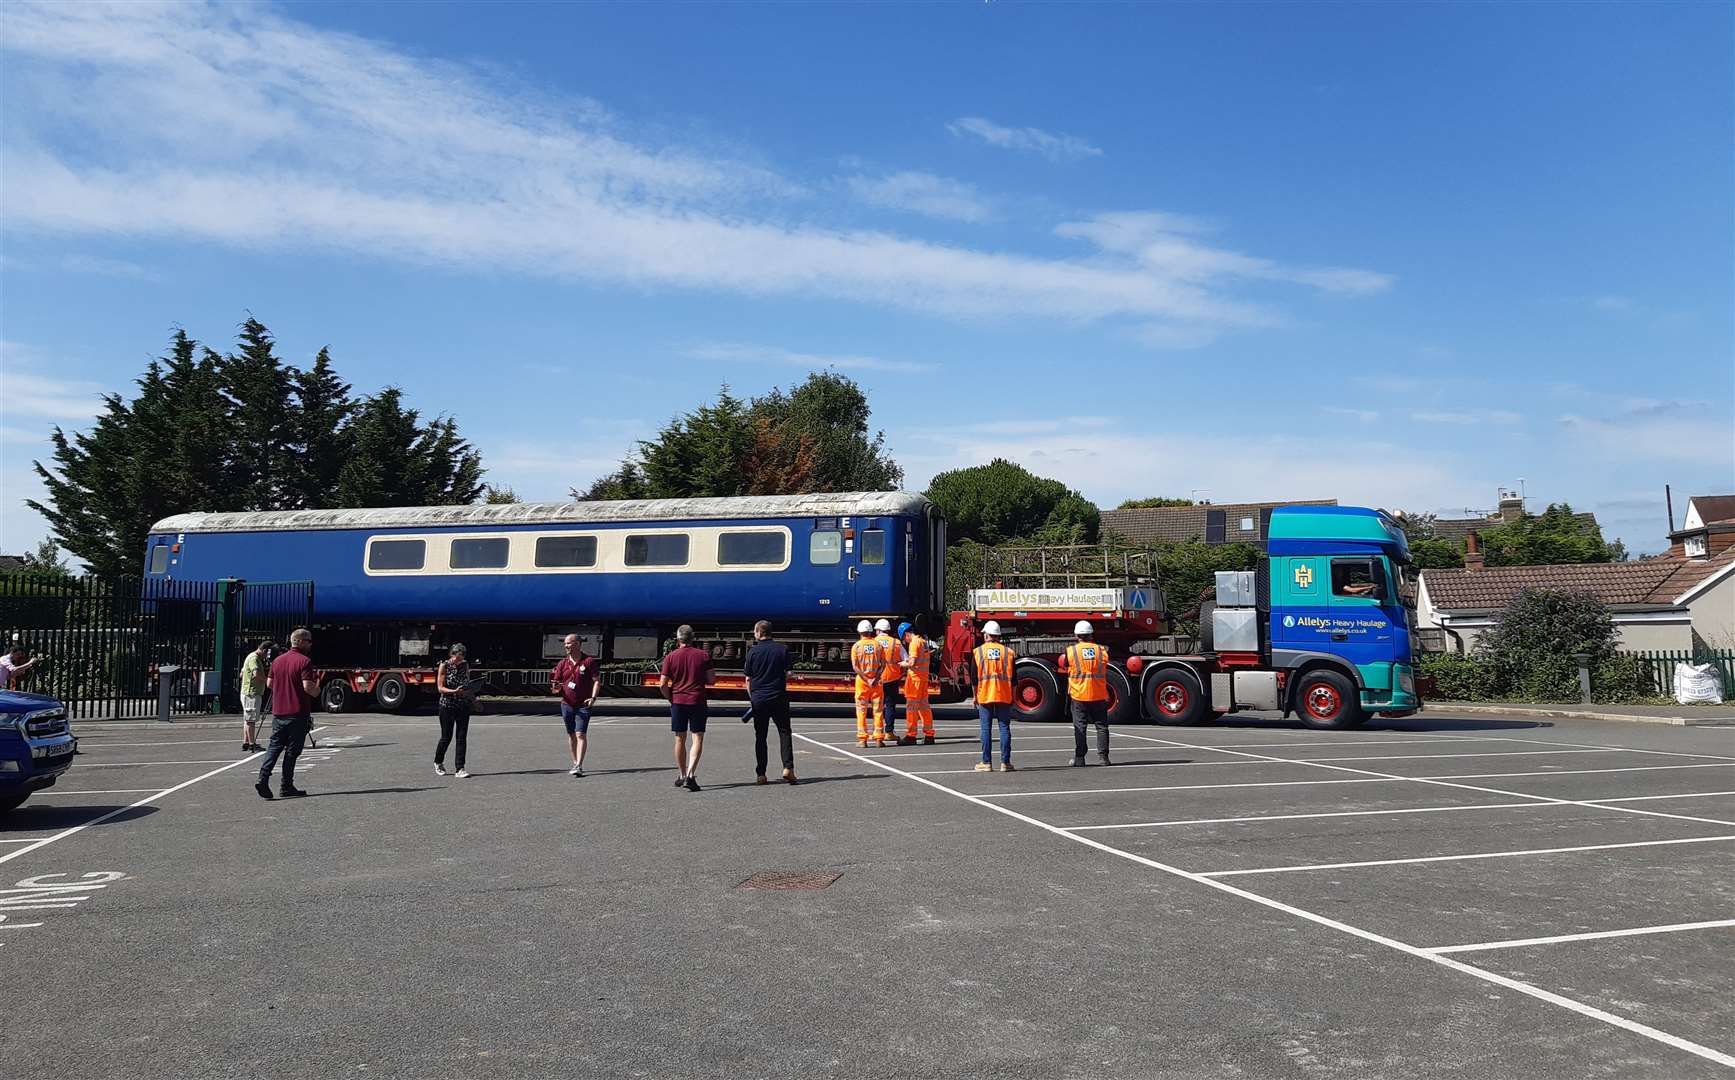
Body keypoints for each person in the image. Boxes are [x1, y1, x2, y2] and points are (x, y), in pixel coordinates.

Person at [257, 628, 319, 799]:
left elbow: (270, 683)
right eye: (308, 641)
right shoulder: (304, 661)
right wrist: (317, 690)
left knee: (274, 747)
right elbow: (308, 687)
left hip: (279, 712)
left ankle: (263, 778)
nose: (310, 644)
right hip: (297, 712)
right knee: (292, 751)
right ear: (299, 641)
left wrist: (284, 688)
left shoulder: (277, 661)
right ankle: (286, 785)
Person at [742, 620, 797, 785]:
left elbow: (747, 679)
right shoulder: (782, 649)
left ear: (759, 633)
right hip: (778, 696)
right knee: (784, 732)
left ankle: (761, 774)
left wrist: (753, 697)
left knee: (761, 736)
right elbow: (790, 674)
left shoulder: (752, 652)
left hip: (759, 698)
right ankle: (788, 768)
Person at [659, 625, 713, 791]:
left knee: (679, 738)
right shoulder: (703, 655)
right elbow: (711, 680)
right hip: (697, 700)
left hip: (678, 701)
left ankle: (682, 775)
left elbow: (662, 684)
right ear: (693, 638)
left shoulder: (670, 657)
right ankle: (691, 775)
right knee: (697, 737)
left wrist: (671, 698)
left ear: (678, 639)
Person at [1059, 621, 1111, 766]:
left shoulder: (1071, 651)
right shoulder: (1101, 650)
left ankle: (1080, 758)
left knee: (1080, 727)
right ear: (1091, 634)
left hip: (1079, 694)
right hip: (1098, 694)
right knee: (1101, 726)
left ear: (1077, 635)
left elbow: (1065, 665)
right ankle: (1103, 758)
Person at [968, 621, 1017, 773]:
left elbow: (974, 679)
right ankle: (1005, 763)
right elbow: (1015, 679)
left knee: (985, 728)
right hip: (1004, 694)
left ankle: (986, 762)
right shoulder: (1008, 653)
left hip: (985, 694)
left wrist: (975, 696)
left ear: (988, 635)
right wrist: (1013, 697)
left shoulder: (978, 652)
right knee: (1004, 728)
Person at [549, 634, 599, 777]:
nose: (566, 646)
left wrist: (593, 697)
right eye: (565, 644)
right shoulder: (562, 664)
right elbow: (555, 687)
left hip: (583, 704)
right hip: (567, 704)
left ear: (577, 644)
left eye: (569, 643)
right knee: (571, 735)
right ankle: (575, 761)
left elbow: (596, 681)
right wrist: (556, 688)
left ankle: (579, 765)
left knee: (580, 734)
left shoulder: (589, 661)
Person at [434, 643, 474, 778]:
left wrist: (469, 692)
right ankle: (438, 761)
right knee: (446, 737)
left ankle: (460, 768)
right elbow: (440, 688)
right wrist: (454, 691)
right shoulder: (444, 666)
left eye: (461, 658)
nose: (459, 660)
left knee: (461, 737)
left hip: (462, 705)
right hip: (447, 705)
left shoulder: (465, 665)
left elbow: (467, 682)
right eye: (457, 658)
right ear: (452, 655)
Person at [850, 620, 887, 747]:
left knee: (861, 710)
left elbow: (855, 666)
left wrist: (866, 679)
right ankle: (879, 739)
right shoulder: (878, 645)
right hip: (877, 682)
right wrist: (875, 678)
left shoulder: (856, 646)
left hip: (862, 682)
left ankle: (863, 740)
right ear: (871, 631)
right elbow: (883, 664)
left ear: (860, 631)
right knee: (878, 710)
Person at [898, 620, 935, 745]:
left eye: (904, 638)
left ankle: (911, 735)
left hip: (915, 680)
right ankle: (929, 735)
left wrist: (903, 664)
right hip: (923, 679)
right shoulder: (923, 642)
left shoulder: (914, 643)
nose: (905, 641)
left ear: (907, 634)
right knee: (924, 707)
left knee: (911, 708)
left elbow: (912, 662)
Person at [238, 641, 271, 753]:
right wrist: (267, 681)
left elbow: (242, 674)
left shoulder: (250, 657)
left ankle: (246, 742)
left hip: (247, 692)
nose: (267, 657)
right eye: (267, 654)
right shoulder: (254, 658)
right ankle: (252, 744)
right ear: (265, 651)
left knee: (247, 719)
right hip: (252, 693)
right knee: (250, 720)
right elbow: (256, 674)